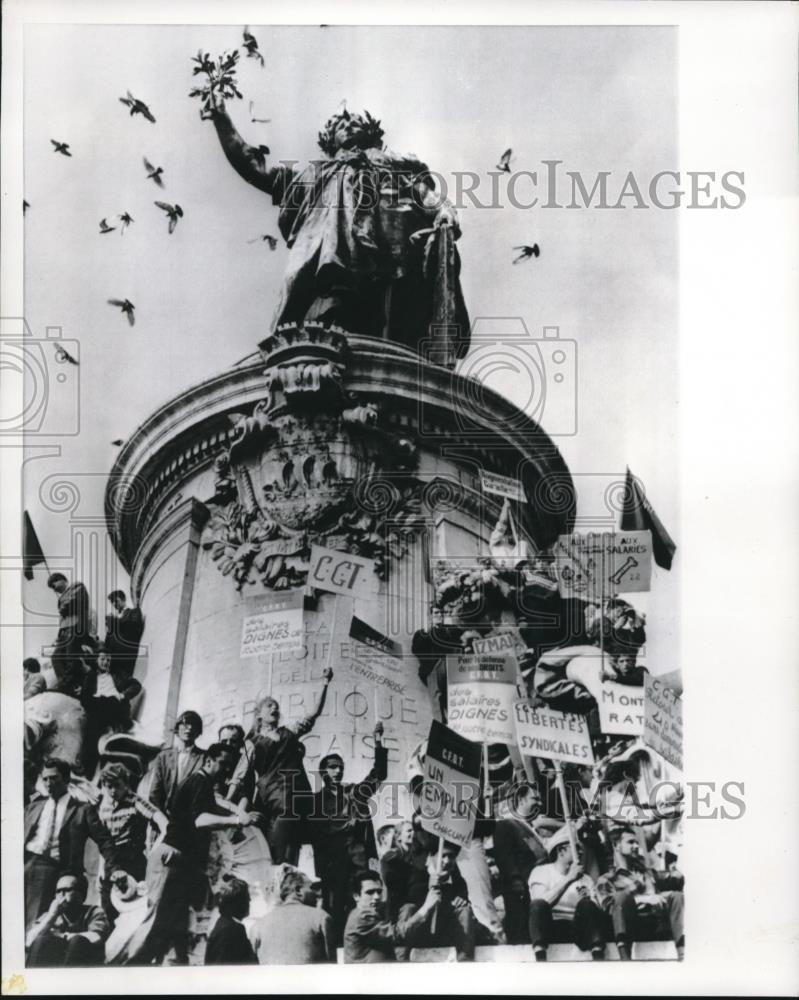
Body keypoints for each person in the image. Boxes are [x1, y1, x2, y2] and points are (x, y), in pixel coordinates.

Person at [206, 102, 469, 360]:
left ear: (371, 132)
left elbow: (429, 198)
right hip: (329, 260)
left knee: (390, 313)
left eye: (355, 121)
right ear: (331, 139)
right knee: (329, 302)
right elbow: (257, 171)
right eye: (341, 124)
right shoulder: (314, 174)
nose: (348, 124)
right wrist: (222, 120)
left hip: (391, 257)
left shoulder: (396, 166)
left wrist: (445, 214)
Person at [137, 743, 262, 965]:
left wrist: (239, 813)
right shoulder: (200, 782)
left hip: (180, 861)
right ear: (208, 761)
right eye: (222, 764)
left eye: (229, 767)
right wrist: (235, 820)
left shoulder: (200, 783)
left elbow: (212, 807)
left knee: (177, 925)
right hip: (171, 858)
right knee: (158, 924)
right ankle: (133, 972)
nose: (226, 770)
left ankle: (177, 967)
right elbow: (200, 820)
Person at [310, 721, 388, 942]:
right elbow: (318, 831)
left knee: (361, 905)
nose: (338, 770)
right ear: (323, 772)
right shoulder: (315, 801)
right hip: (332, 863)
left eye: (340, 766)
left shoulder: (354, 792)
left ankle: (362, 943)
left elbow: (378, 775)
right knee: (333, 909)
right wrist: (347, 824)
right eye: (333, 766)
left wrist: (378, 742)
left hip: (357, 860)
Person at [249, 667, 333, 865]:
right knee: (275, 852)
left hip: (296, 796)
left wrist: (325, 684)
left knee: (292, 850)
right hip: (273, 799)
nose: (274, 708)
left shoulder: (289, 733)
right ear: (259, 714)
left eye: (276, 706)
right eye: (269, 705)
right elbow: (242, 773)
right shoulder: (252, 741)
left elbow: (314, 713)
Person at [24, 758, 105, 928]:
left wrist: (116, 867)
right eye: (45, 779)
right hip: (24, 863)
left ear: (67, 779)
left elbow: (105, 841)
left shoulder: (83, 809)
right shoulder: (34, 806)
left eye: (54, 778)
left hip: (51, 868)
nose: (48, 783)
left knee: (35, 922)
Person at [596, 826, 685, 960]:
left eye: (637, 842)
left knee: (677, 896)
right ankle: (625, 959)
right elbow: (608, 906)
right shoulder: (607, 878)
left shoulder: (646, 871)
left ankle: (683, 954)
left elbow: (673, 879)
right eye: (631, 842)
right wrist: (643, 899)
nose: (636, 846)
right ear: (616, 845)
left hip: (656, 921)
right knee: (620, 897)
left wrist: (675, 874)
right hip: (632, 925)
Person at [94, 762, 168, 921]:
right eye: (109, 786)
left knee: (135, 908)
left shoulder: (136, 801)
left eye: (117, 786)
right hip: (110, 862)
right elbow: (103, 841)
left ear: (126, 784)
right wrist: (101, 869)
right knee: (109, 908)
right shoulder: (104, 806)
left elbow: (162, 821)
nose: (113, 791)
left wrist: (157, 848)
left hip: (132, 860)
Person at [527, 826, 608, 961]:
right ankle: (540, 958)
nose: (581, 852)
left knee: (588, 905)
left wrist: (588, 901)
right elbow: (540, 903)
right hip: (550, 926)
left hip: (576, 927)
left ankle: (598, 957)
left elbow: (597, 909)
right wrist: (569, 879)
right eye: (576, 848)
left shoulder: (585, 878)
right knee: (538, 905)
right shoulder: (541, 872)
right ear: (561, 851)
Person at [493, 782, 555, 944]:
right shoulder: (506, 824)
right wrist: (515, 882)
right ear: (521, 800)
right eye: (535, 799)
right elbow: (505, 857)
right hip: (520, 893)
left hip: (534, 890)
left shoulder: (531, 827)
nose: (540, 804)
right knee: (521, 939)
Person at [398, 840, 477, 961]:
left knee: (465, 910)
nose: (446, 861)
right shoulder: (418, 876)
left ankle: (465, 960)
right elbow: (412, 901)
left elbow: (460, 910)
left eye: (451, 856)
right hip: (420, 932)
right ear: (431, 857)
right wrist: (430, 888)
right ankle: (400, 960)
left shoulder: (459, 882)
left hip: (445, 933)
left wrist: (462, 902)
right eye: (443, 855)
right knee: (408, 908)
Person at [343, 870, 440, 964]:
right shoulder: (362, 916)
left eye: (379, 891)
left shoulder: (364, 913)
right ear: (356, 896)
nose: (376, 896)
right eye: (370, 892)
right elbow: (397, 934)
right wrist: (426, 907)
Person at [79, 643, 142, 776]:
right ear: (96, 660)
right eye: (102, 659)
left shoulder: (117, 674)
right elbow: (85, 698)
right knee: (91, 732)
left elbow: (136, 685)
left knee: (110, 702)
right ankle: (86, 768)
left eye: (108, 659)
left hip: (115, 706)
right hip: (98, 706)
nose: (105, 662)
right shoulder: (90, 676)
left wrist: (123, 695)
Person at [248, 868, 335, 964]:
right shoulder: (320, 918)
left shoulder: (258, 926)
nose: (318, 893)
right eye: (313, 888)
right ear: (298, 890)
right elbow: (331, 968)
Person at [26, 872, 111, 967]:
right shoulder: (49, 915)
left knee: (78, 941)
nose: (61, 895)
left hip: (84, 963)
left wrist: (64, 936)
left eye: (67, 890)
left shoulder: (94, 911)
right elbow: (30, 941)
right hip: (54, 962)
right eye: (58, 891)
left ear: (81, 894)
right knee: (40, 940)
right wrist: (52, 916)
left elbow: (97, 937)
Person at [148, 710, 206, 815]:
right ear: (177, 728)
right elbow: (154, 793)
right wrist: (161, 818)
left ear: (199, 732)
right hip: (165, 816)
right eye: (185, 723)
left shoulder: (204, 758)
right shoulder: (163, 757)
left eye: (194, 724)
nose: (190, 728)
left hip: (192, 818)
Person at [48, 572, 95, 697]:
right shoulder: (60, 598)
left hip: (76, 626)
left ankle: (67, 686)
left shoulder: (77, 586)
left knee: (71, 656)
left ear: (62, 580)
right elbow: (62, 617)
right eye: (52, 587)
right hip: (64, 631)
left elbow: (74, 602)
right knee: (56, 657)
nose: (54, 588)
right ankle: (67, 684)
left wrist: (63, 607)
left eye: (54, 583)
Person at [204, 877, 258, 965]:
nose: (250, 900)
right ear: (238, 903)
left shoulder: (225, 924)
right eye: (247, 897)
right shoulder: (233, 930)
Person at [380, 820, 415, 919]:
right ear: (399, 837)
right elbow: (391, 883)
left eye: (414, 830)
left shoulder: (417, 857)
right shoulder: (390, 857)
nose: (413, 833)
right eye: (409, 831)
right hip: (397, 908)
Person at [104, 590, 144, 676]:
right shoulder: (114, 619)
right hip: (115, 658)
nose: (114, 604)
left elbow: (134, 628)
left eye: (116, 601)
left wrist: (115, 622)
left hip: (128, 652)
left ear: (123, 599)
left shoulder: (134, 611)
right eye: (112, 602)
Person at [219, 723, 255, 807]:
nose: (228, 744)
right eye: (224, 741)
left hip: (236, 808)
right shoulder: (213, 761)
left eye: (233, 741)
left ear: (240, 744)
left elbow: (245, 797)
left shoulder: (244, 765)